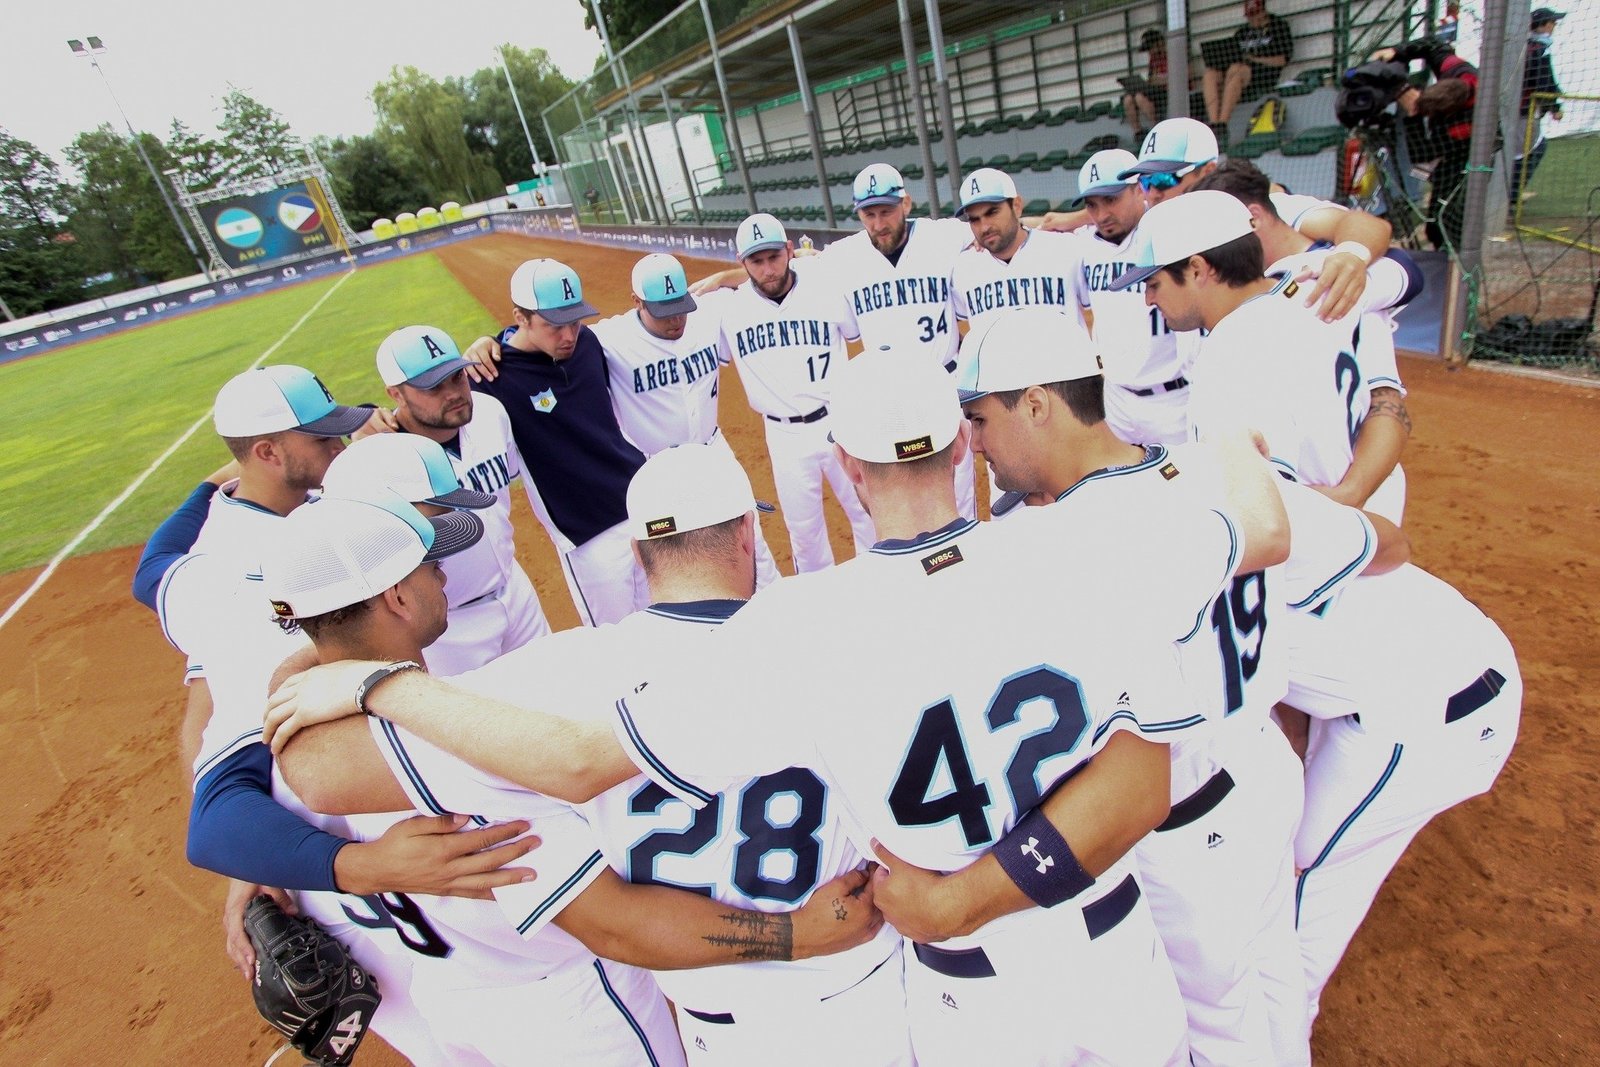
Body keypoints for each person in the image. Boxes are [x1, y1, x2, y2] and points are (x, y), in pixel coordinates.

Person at [266, 349, 1278, 1066]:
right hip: (1111, 934)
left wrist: (381, 680)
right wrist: (1231, 411)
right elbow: (1257, 532)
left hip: (961, 984)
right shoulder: (1088, 544)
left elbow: (566, 763)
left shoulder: (791, 630)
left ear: (840, 472)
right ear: (961, 455)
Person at [263, 489, 884, 1065]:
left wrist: (325, 650)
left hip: (449, 1002)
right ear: (747, 536)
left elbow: (311, 769)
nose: (444, 572)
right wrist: (793, 935)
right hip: (574, 1008)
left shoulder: (322, 743)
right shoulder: (484, 734)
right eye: (429, 564)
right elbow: (604, 894)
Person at [951, 307, 1405, 1066]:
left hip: (1186, 826)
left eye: (980, 418)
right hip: (1265, 770)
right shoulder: (1218, 472)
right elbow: (1390, 545)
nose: (974, 443)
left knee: (1218, 1028)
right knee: (1274, 975)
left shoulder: (1053, 541)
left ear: (1037, 403)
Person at [464, 252, 784, 583]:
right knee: (683, 567)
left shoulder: (704, 312)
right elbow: (525, 343)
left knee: (752, 542)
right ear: (637, 303)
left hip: (713, 450)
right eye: (663, 312)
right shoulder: (607, 339)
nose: (675, 320)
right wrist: (491, 341)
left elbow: (773, 275)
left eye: (680, 308)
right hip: (655, 471)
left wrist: (721, 277)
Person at [1192, 160, 1423, 521]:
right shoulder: (1232, 298)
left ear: (1254, 219)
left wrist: (1350, 493)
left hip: (1357, 501)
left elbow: (1385, 401)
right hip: (1292, 508)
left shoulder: (1342, 281)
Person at [464, 257, 650, 626]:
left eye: (574, 322)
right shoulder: (491, 377)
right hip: (587, 536)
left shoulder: (587, 342)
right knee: (618, 641)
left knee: (666, 615)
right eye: (553, 326)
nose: (568, 336)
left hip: (642, 506)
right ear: (521, 317)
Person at [363, 324, 552, 672]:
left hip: (516, 591)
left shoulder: (490, 413)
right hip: (451, 628)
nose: (453, 393)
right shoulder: (378, 459)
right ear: (396, 394)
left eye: (456, 377)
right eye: (433, 387)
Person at [706, 214, 873, 572]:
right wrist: (721, 281)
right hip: (783, 434)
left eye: (773, 257)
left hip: (840, 419)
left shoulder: (826, 285)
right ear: (742, 262)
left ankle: (881, 588)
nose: (767, 269)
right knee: (805, 535)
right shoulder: (727, 308)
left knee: (868, 513)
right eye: (756, 260)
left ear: (789, 250)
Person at [1372, 34, 1478, 250]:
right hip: (1450, 144)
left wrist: (1413, 117)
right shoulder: (1453, 68)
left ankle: (1453, 261)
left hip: (1464, 157)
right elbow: (1434, 44)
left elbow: (1423, 155)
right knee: (1434, 226)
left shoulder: (1462, 128)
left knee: (1447, 221)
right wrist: (1398, 51)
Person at [1202, 0, 1294, 134]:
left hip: (1263, 74)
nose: (1252, 19)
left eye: (1255, 14)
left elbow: (1282, 60)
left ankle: (1223, 122)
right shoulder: (1243, 32)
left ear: (1263, 11)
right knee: (1210, 74)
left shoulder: (1278, 26)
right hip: (1237, 74)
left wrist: (1253, 59)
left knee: (1236, 69)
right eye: (1249, 15)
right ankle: (1214, 123)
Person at [1513, 7, 1565, 203]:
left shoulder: (1524, 45)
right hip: (1525, 110)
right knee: (1531, 150)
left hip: (1516, 109)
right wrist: (1555, 107)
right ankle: (1510, 196)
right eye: (1552, 22)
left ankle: (1507, 194)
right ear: (1543, 25)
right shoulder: (1539, 49)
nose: (1554, 26)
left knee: (1520, 150)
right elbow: (1544, 81)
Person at [1123, 29, 1170, 140]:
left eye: (1151, 48)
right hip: (1155, 92)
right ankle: (1138, 132)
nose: (1150, 52)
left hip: (1169, 92)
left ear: (1159, 44)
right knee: (1128, 99)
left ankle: (1157, 128)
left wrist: (1158, 79)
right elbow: (1151, 79)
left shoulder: (1172, 54)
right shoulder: (1153, 60)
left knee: (1139, 98)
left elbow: (1177, 77)